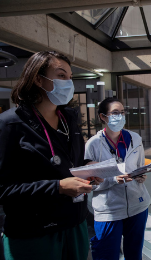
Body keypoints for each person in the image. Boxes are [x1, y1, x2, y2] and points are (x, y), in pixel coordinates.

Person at [0, 51, 101, 259]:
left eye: (70, 77)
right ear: (38, 78)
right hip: (34, 234)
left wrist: (88, 169)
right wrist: (58, 187)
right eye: (61, 75)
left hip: (76, 224)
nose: (68, 83)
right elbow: (4, 188)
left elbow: (67, 164)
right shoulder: (10, 124)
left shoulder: (69, 120)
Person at [85, 97, 151, 260]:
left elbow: (140, 165)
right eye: (115, 113)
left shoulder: (135, 138)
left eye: (122, 112)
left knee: (134, 255)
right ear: (103, 117)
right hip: (109, 211)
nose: (120, 116)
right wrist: (114, 180)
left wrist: (140, 176)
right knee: (106, 255)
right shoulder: (93, 144)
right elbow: (90, 183)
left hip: (138, 205)